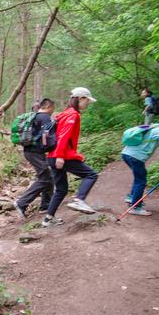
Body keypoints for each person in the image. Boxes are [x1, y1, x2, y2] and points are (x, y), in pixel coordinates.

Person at [44, 87, 99, 227]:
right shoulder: (73, 115)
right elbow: (63, 136)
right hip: (61, 155)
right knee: (91, 174)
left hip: (52, 155)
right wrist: (61, 156)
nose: (88, 104)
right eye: (87, 100)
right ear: (81, 98)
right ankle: (79, 200)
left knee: (61, 189)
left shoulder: (63, 114)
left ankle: (48, 219)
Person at [14, 98, 56, 220]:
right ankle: (21, 203)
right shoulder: (45, 117)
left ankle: (46, 205)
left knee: (48, 176)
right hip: (35, 152)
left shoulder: (36, 116)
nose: (52, 111)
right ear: (48, 106)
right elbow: (46, 136)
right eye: (52, 108)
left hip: (33, 152)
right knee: (45, 178)